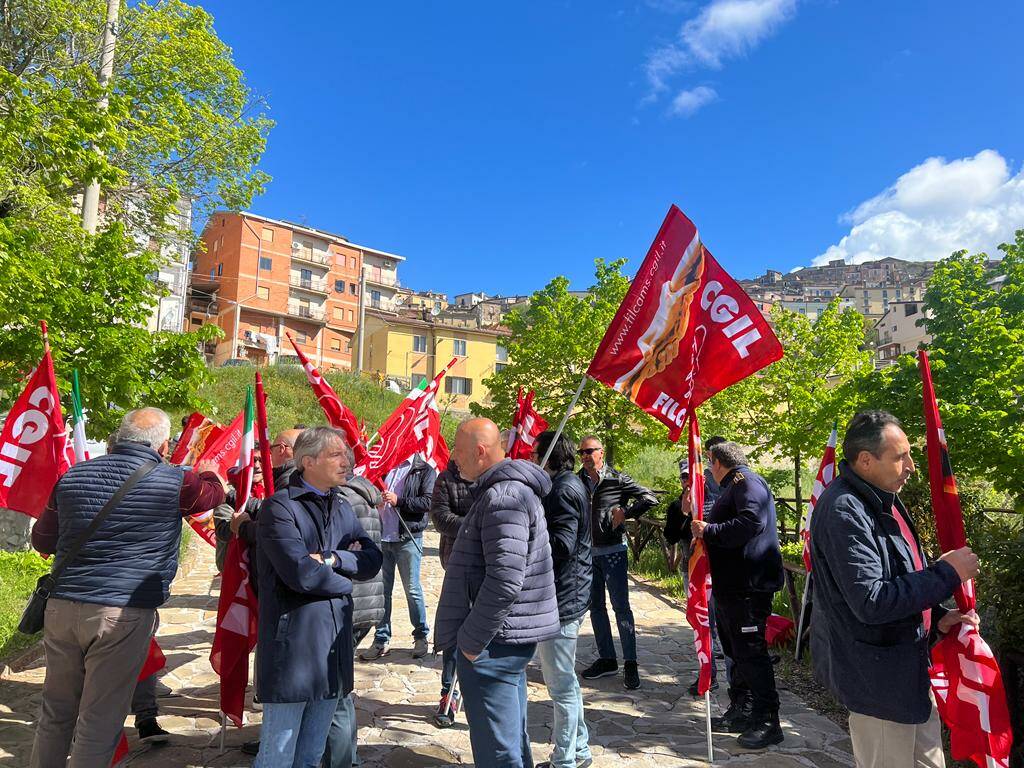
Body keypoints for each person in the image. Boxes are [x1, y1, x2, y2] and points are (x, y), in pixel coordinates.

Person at [30, 407, 226, 767]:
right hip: (120, 614)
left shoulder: (73, 475)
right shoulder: (176, 481)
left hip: (61, 607)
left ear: (119, 437)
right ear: (164, 445)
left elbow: (42, 539)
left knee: (55, 713)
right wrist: (209, 468)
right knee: (99, 721)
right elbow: (214, 496)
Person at [810, 411, 979, 768]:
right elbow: (871, 601)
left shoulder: (882, 497)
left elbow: (899, 573)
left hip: (909, 674)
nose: (912, 466)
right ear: (866, 461)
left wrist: (936, 620)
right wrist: (947, 573)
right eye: (900, 457)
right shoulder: (845, 510)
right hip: (880, 687)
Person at [434, 418, 560, 768]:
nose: (453, 458)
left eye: (457, 451)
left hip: (493, 642)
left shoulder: (504, 496)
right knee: (509, 741)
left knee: (497, 749)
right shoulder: (502, 492)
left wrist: (472, 642)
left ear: (479, 451)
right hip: (501, 639)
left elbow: (505, 579)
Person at [254, 427, 382, 768]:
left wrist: (334, 560)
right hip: (293, 646)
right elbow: (299, 573)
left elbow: (373, 559)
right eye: (336, 455)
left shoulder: (340, 507)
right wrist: (346, 580)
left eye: (346, 454)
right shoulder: (279, 508)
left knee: (310, 756)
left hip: (332, 651)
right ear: (308, 461)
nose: (347, 461)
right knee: (277, 756)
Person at [691, 441, 785, 749]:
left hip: (748, 586)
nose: (708, 470)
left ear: (718, 463)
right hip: (732, 585)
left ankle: (768, 720)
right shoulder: (735, 484)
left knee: (751, 653)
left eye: (709, 463)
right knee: (735, 651)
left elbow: (751, 521)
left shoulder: (746, 482)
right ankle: (742, 709)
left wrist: (709, 530)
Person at [532, 431, 593, 768]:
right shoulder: (565, 484)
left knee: (560, 684)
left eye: (535, 453)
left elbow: (562, 545)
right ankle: (580, 750)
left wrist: (530, 537)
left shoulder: (563, 489)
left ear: (549, 455)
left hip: (563, 599)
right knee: (562, 678)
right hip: (565, 593)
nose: (531, 458)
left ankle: (565, 760)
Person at [576, 435, 657, 690]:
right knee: (596, 608)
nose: (585, 456)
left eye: (590, 451)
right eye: (582, 452)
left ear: (601, 452)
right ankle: (607, 659)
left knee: (621, 607)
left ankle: (630, 663)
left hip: (613, 551)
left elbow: (651, 498)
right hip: (587, 552)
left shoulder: (617, 479)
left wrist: (627, 512)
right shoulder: (576, 480)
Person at [360, 454, 436, 660]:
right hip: (382, 538)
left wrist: (399, 500)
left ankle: (421, 636)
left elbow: (428, 501)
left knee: (412, 589)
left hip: (407, 538)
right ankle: (381, 639)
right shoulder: (385, 464)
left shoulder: (424, 470)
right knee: (383, 592)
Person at [428, 458, 474, 728]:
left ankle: (477, 690)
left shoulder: (491, 477)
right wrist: (478, 525)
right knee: (453, 633)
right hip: (456, 564)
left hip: (488, 566)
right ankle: (450, 692)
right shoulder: (446, 479)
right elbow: (441, 518)